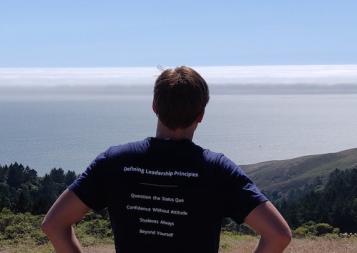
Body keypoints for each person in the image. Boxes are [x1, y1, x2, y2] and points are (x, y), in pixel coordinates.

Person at [42, 66, 292, 253]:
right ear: (201, 114)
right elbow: (279, 235)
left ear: (154, 106)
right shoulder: (217, 170)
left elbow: (54, 224)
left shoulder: (114, 161)